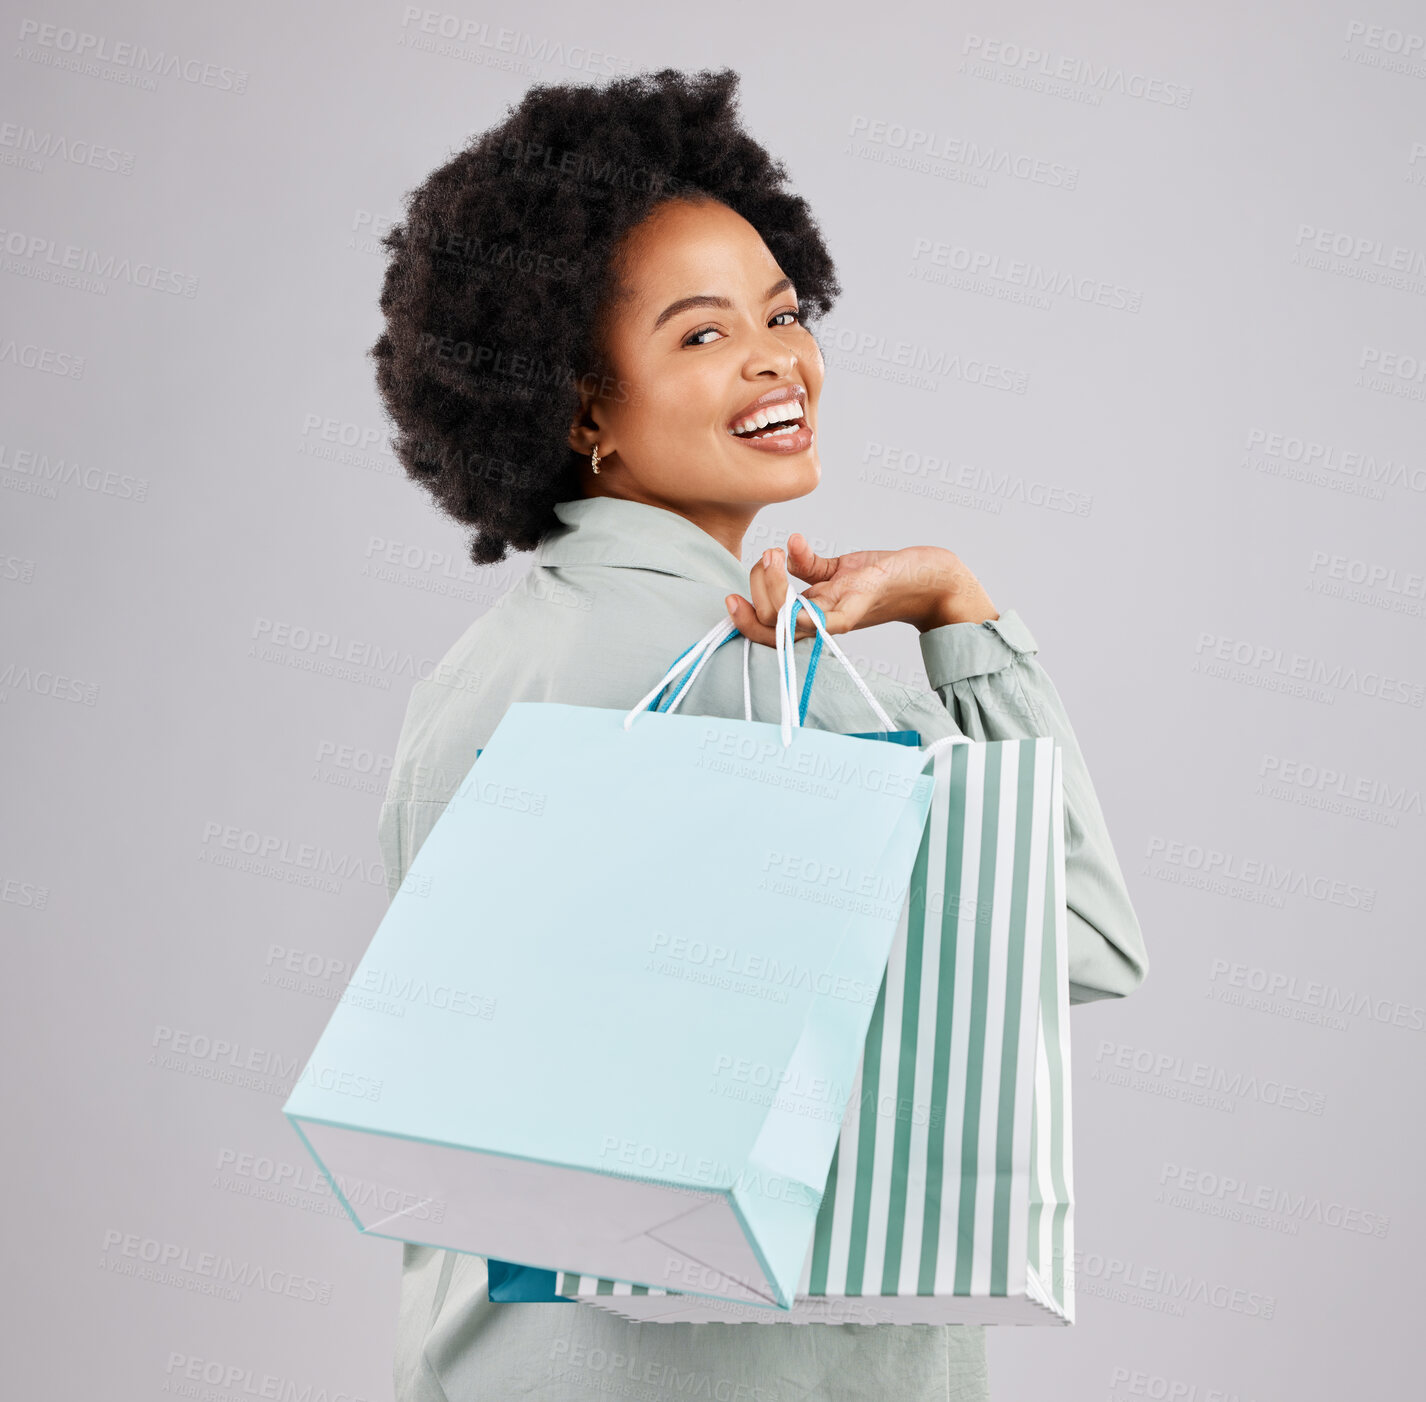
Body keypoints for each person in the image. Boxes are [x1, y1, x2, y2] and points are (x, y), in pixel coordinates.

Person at [370, 66, 1148, 1402]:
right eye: (699, 335)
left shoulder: (480, 671)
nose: (779, 358)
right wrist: (958, 614)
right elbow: (1077, 935)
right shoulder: (753, 675)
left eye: (781, 313)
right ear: (580, 409)